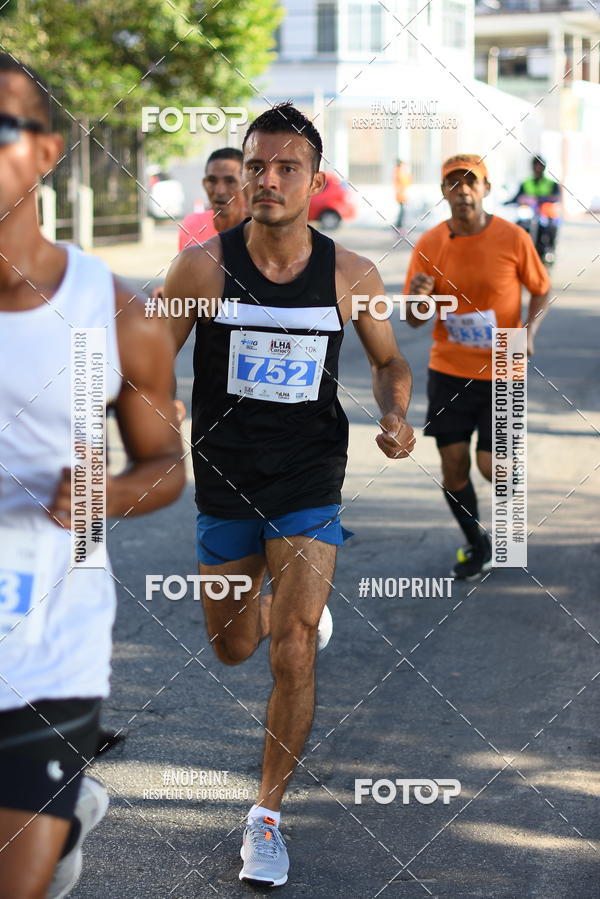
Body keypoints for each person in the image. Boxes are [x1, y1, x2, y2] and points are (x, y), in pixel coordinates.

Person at [163, 102, 415, 887]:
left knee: (294, 648)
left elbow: (389, 362)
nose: (267, 179)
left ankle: (265, 817)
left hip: (309, 477)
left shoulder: (350, 274)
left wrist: (397, 413)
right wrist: (155, 405)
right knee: (234, 645)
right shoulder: (202, 267)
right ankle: (280, 608)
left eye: (286, 167)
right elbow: (149, 357)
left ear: (316, 178)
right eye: (256, 166)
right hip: (226, 479)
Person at [0, 54, 185, 899]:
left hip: (49, 643)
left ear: (47, 151)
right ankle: (67, 818)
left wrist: (103, 493)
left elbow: (166, 465)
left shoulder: (114, 315)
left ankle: (56, 815)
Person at [404, 154, 550, 580]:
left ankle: (510, 525)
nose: (463, 191)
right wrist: (417, 298)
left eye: (471, 182)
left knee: (492, 467)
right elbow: (414, 319)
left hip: (505, 362)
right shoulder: (430, 244)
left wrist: (529, 332)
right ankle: (477, 543)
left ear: (485, 189)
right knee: (453, 465)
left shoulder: (512, 237)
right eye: (454, 183)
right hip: (449, 367)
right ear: (443, 192)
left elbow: (541, 289)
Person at [178, 147, 248, 251]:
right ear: (204, 184)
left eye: (230, 181)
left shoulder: (260, 230)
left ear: (247, 185)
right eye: (212, 181)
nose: (220, 191)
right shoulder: (191, 225)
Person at [506, 155, 561, 264]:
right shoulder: (526, 183)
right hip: (529, 215)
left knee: (550, 227)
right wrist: (507, 202)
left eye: (540, 165)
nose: (538, 168)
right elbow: (517, 197)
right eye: (536, 165)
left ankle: (550, 251)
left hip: (546, 215)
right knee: (518, 226)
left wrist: (541, 199)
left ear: (544, 167)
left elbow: (556, 197)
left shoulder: (551, 183)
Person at [393, 158, 412, 230]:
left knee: (402, 210)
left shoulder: (398, 171)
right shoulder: (400, 172)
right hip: (401, 194)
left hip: (401, 194)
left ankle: (399, 225)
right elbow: (406, 182)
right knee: (402, 211)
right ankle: (399, 226)